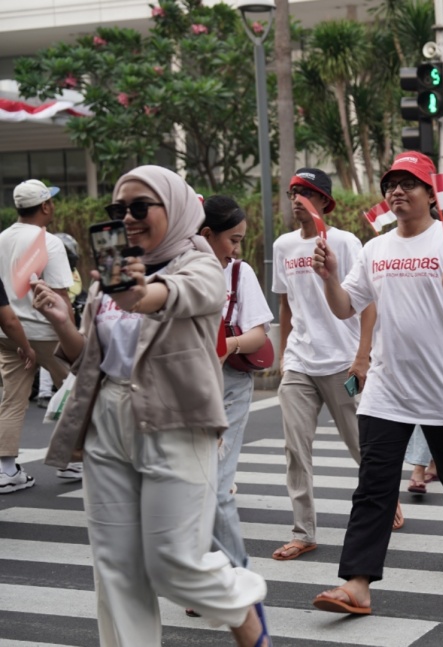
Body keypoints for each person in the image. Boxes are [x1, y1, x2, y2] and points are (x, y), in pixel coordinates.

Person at [35, 165, 270, 647]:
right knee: (116, 570)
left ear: (176, 208)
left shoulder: (202, 265)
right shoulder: (109, 279)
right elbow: (90, 362)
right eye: (118, 210)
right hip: (107, 422)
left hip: (176, 421)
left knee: (175, 563)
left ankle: (242, 611)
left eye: (140, 207)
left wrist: (141, 294)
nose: (128, 218)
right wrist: (64, 322)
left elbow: (175, 296)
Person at [310, 151, 443, 616]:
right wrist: (330, 277)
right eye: (390, 184)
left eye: (407, 183)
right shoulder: (375, 249)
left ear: (430, 194)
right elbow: (342, 308)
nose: (396, 191)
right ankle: (356, 583)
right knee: (374, 486)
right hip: (386, 390)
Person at [271, 168, 377, 561]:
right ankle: (304, 531)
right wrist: (284, 355)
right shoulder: (284, 246)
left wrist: (362, 356)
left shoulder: (346, 243)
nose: (296, 199)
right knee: (295, 449)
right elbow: (285, 304)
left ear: (323, 200)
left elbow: (368, 303)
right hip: (300, 361)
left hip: (342, 363)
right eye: (292, 192)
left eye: (305, 192)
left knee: (360, 445)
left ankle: (383, 500)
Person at [196, 195, 273, 577]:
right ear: (206, 234)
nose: (237, 249)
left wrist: (228, 346)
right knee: (195, 481)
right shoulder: (178, 271)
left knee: (217, 479)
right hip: (185, 391)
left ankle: (219, 572)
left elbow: (259, 334)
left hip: (229, 386)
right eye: (233, 239)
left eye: (241, 240)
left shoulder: (239, 274)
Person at [0, 179, 74, 492]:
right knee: (75, 391)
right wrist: (73, 335)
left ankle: (5, 471)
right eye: (51, 201)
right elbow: (60, 296)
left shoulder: (1, 238)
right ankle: (74, 460)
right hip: (46, 332)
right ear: (45, 206)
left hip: (9, 332)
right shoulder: (49, 242)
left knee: (12, 398)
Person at [36, 232, 84, 412]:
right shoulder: (47, 268)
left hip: (69, 312)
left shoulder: (73, 272)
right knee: (53, 355)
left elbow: (77, 291)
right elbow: (61, 294)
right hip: (54, 315)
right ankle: (45, 393)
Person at [0, 277, 36, 373]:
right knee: (72, 379)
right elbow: (8, 322)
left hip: (5, 339)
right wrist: (26, 348)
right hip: (42, 330)